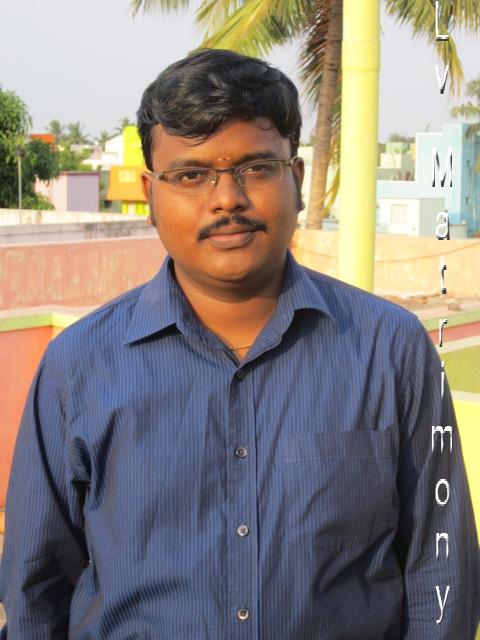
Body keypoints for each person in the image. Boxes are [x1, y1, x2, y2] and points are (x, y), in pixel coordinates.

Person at [0, 49, 478, 639]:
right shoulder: (78, 367)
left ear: (295, 180)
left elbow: (440, 568)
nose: (226, 198)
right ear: (150, 194)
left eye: (255, 167)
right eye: (191, 175)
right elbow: (37, 588)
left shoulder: (391, 351)